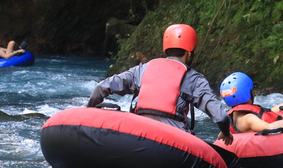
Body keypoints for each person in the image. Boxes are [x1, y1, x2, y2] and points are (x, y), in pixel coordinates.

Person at [87, 23, 234, 145]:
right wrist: (226, 133)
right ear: (189, 52)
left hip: (136, 136)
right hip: (172, 142)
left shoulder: (143, 69)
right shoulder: (194, 78)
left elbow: (101, 87)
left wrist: (88, 112)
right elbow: (220, 117)